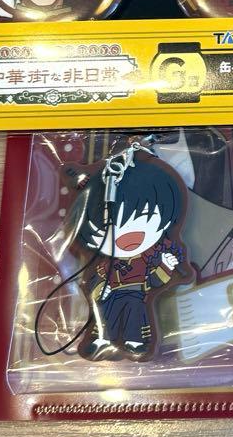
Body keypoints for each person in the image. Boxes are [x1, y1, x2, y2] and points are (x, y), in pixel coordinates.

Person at [76, 154, 186, 360]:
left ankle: (134, 340)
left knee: (134, 313)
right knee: (106, 311)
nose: (127, 236)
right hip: (112, 294)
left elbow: (154, 281)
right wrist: (101, 290)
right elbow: (96, 282)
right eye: (109, 228)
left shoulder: (145, 258)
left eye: (144, 218)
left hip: (136, 294)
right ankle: (102, 339)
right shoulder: (105, 263)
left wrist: (165, 266)